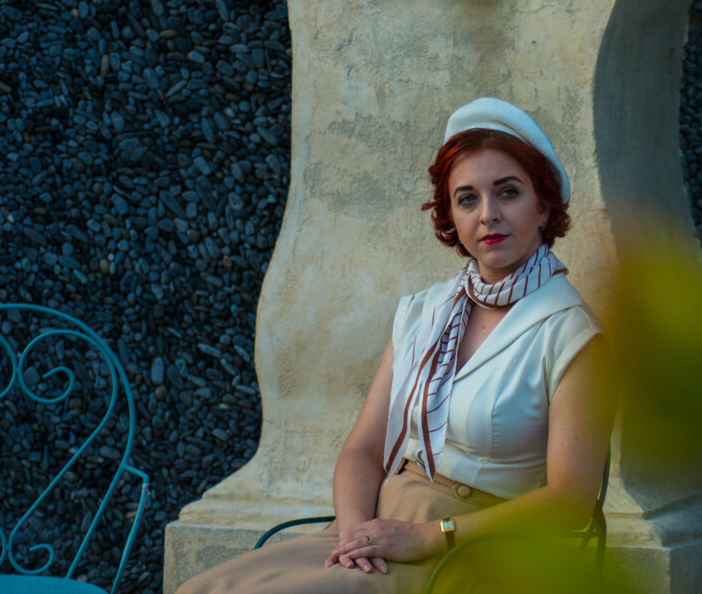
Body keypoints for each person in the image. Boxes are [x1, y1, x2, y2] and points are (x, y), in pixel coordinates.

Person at [176, 97, 615, 594]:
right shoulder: (423, 313)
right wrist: (353, 540)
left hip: (470, 551)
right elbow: (362, 450)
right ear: (450, 214)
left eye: (507, 192)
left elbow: (570, 499)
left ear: (543, 206)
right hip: (379, 527)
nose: (488, 215)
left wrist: (430, 536)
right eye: (467, 199)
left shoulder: (573, 334)